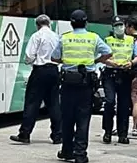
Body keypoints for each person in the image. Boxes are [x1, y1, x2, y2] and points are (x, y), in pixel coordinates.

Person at [51, 10, 113, 163]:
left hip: (68, 83)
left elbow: (54, 57)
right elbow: (108, 53)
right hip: (86, 84)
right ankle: (80, 154)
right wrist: (95, 61)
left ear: (71, 24)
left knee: (67, 118)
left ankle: (67, 151)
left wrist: (66, 62)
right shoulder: (93, 37)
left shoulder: (65, 38)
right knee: (83, 119)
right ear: (86, 23)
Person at [10, 14, 62, 144]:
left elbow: (29, 55)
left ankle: (25, 134)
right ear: (49, 24)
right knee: (54, 104)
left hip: (40, 71)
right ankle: (58, 135)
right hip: (54, 71)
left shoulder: (36, 36)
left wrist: (30, 61)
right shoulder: (56, 36)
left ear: (37, 25)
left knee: (32, 103)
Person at [102, 16, 137, 145]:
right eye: (116, 26)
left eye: (121, 25)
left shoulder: (131, 40)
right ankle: (107, 132)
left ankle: (123, 134)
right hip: (110, 74)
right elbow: (101, 57)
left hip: (125, 74)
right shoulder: (107, 40)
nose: (119, 28)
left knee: (124, 105)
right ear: (113, 27)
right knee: (109, 102)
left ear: (124, 26)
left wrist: (131, 63)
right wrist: (111, 63)